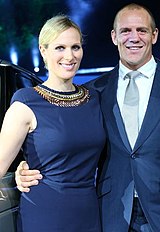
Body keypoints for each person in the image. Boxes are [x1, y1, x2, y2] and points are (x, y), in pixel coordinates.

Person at [15, 3, 160, 232]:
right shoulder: (93, 92)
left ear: (154, 35)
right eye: (125, 31)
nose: (134, 37)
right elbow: (70, 144)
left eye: (141, 30)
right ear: (114, 37)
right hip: (110, 217)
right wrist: (25, 168)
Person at [0, 14, 106, 232]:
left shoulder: (94, 99)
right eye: (60, 48)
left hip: (89, 214)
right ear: (43, 50)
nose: (69, 56)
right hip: (45, 215)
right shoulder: (26, 102)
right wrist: (19, 169)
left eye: (75, 47)